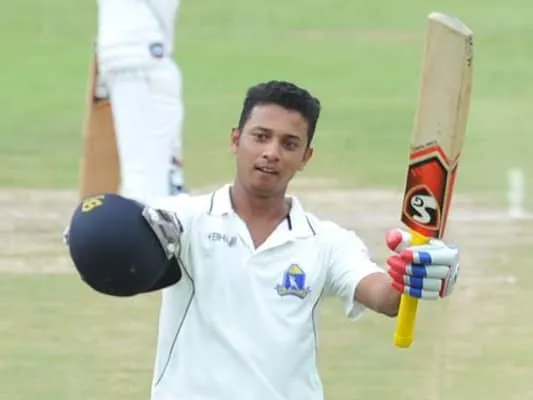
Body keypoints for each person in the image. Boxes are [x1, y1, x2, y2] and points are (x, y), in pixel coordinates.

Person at [65, 80, 460, 400]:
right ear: (235, 139)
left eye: (289, 143)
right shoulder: (185, 220)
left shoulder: (325, 241)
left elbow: (385, 297)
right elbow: (112, 233)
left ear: (306, 157)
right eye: (260, 136)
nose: (271, 152)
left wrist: (414, 272)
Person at [95, 0, 185, 202]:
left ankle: (138, 211)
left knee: (141, 165)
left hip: (114, 54)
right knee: (148, 170)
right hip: (147, 55)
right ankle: (144, 215)